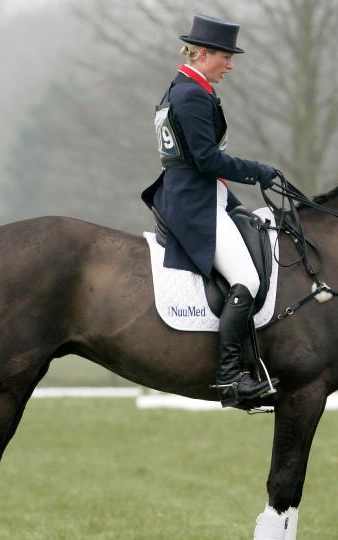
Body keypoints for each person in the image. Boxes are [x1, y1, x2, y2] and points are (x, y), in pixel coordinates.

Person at [141, 14, 278, 408]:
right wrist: (258, 172)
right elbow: (205, 158)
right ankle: (230, 378)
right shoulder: (191, 96)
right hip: (193, 204)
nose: (230, 65)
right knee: (247, 281)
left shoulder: (181, 89)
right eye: (225, 57)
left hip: (201, 197)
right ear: (203, 54)